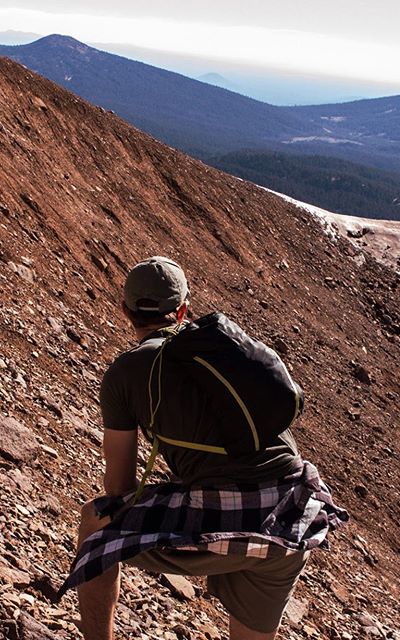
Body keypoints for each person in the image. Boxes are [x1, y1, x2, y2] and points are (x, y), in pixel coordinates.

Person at [62, 256, 348, 640]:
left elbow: (118, 490)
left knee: (95, 523)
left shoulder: (125, 373)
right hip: (295, 515)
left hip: (227, 521)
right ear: (183, 309)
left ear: (125, 310)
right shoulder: (222, 351)